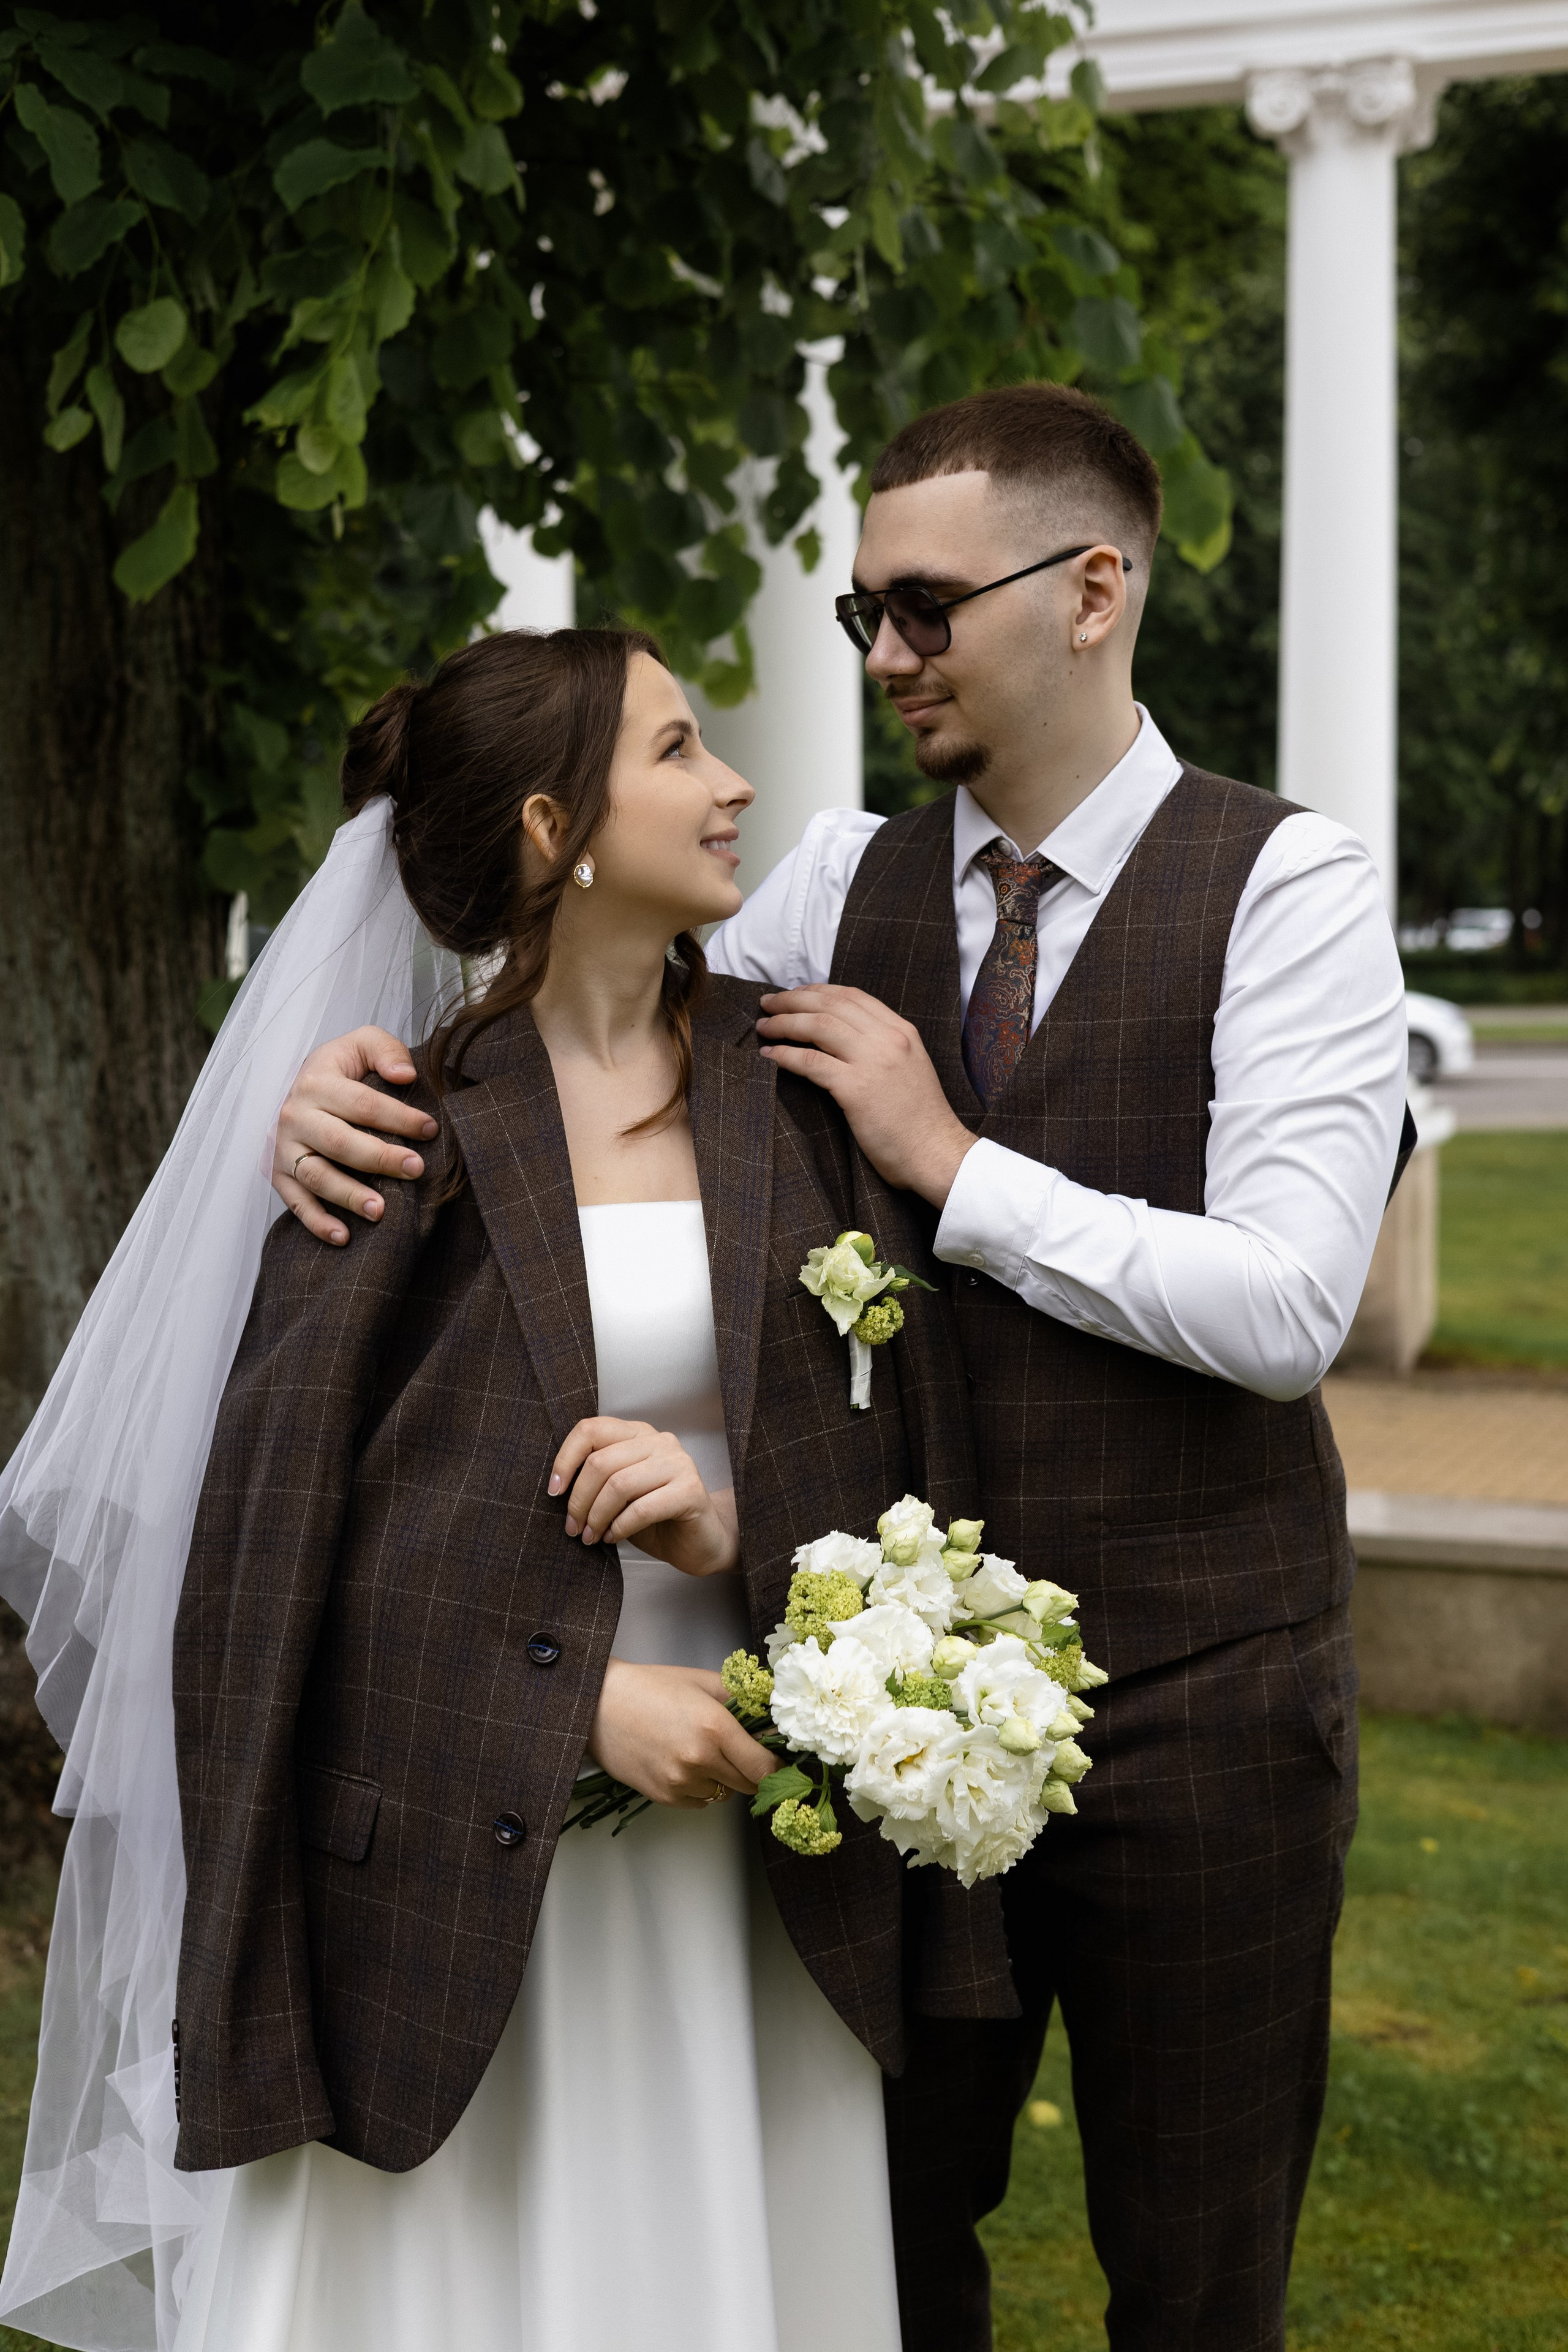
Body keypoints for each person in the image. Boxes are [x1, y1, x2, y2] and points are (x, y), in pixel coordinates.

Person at [272, 385, 1411, 2352]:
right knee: (876, 2261)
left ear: (1091, 590)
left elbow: (1288, 1309)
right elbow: (581, 1009)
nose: (882, 654)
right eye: (861, 613)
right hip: (873, 1719)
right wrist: (345, 1075)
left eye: (923, 607)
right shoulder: (827, 887)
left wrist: (954, 1164)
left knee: (1200, 2277)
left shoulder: (1291, 889)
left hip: (1209, 1715)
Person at [0, 626, 1017, 2352]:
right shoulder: (404, 1140)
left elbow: (915, 1455)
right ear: (559, 827)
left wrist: (736, 1532)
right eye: (681, 750)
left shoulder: (799, 1092)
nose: (736, 781)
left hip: (756, 1859)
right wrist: (569, 1717)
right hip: (480, 1887)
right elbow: (271, 1580)